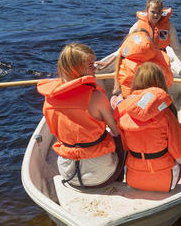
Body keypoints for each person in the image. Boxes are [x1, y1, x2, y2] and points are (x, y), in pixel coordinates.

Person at [37, 43, 124, 188]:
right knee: (122, 135)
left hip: (68, 173)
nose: (95, 69)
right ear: (76, 69)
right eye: (91, 66)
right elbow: (115, 130)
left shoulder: (49, 98)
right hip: (102, 176)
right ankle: (120, 178)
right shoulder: (96, 96)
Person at [115, 62, 181, 192]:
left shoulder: (121, 110)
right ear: (160, 83)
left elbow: (122, 147)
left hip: (133, 179)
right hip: (166, 181)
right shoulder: (167, 113)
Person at [112, 28, 175, 103]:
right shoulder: (163, 57)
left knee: (114, 98)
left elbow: (123, 84)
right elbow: (170, 82)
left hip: (132, 102)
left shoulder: (123, 61)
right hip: (156, 101)